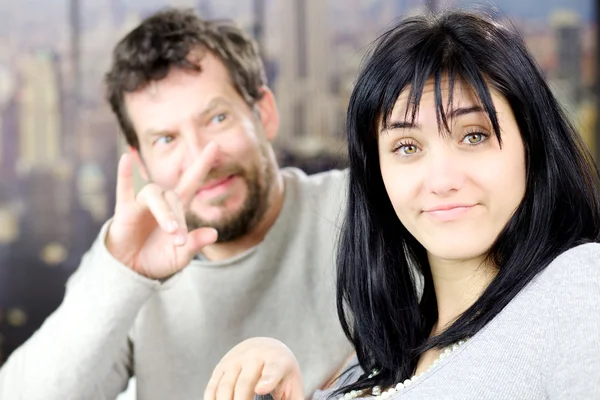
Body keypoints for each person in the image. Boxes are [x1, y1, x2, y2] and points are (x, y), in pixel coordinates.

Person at [204, 9, 600, 400]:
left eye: (474, 136)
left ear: (531, 144)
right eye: (407, 146)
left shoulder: (577, 285)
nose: (443, 180)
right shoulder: (375, 362)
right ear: (378, 174)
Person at [0, 7, 353, 400]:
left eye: (217, 118)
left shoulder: (362, 209)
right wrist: (122, 273)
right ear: (142, 161)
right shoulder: (122, 271)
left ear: (264, 113)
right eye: (166, 140)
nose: (202, 159)